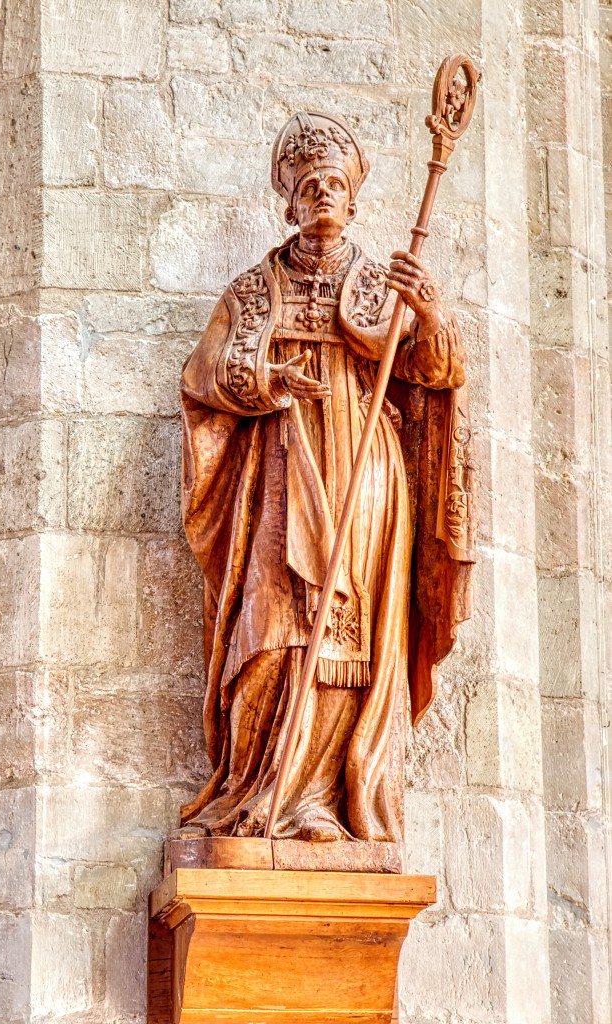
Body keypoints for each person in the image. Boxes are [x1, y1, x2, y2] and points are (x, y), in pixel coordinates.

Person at [176, 111, 475, 865]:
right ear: (288, 201)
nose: (320, 196)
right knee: (270, 630)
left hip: (363, 473)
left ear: (353, 199)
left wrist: (429, 312)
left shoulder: (383, 285)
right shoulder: (252, 291)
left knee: (349, 637)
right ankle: (255, 790)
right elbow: (205, 374)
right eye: (307, 186)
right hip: (282, 470)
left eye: (333, 185)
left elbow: (432, 373)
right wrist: (264, 380)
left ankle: (319, 805)